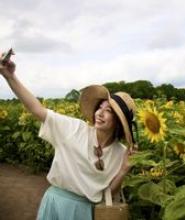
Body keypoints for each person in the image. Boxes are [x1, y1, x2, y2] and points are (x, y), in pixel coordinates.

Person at [0, 51, 137, 220]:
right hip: (56, 204)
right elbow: (37, 109)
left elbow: (108, 193)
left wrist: (124, 169)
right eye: (100, 107)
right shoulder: (74, 129)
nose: (100, 113)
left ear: (119, 122)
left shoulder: (120, 152)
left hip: (86, 212)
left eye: (108, 111)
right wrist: (10, 77)